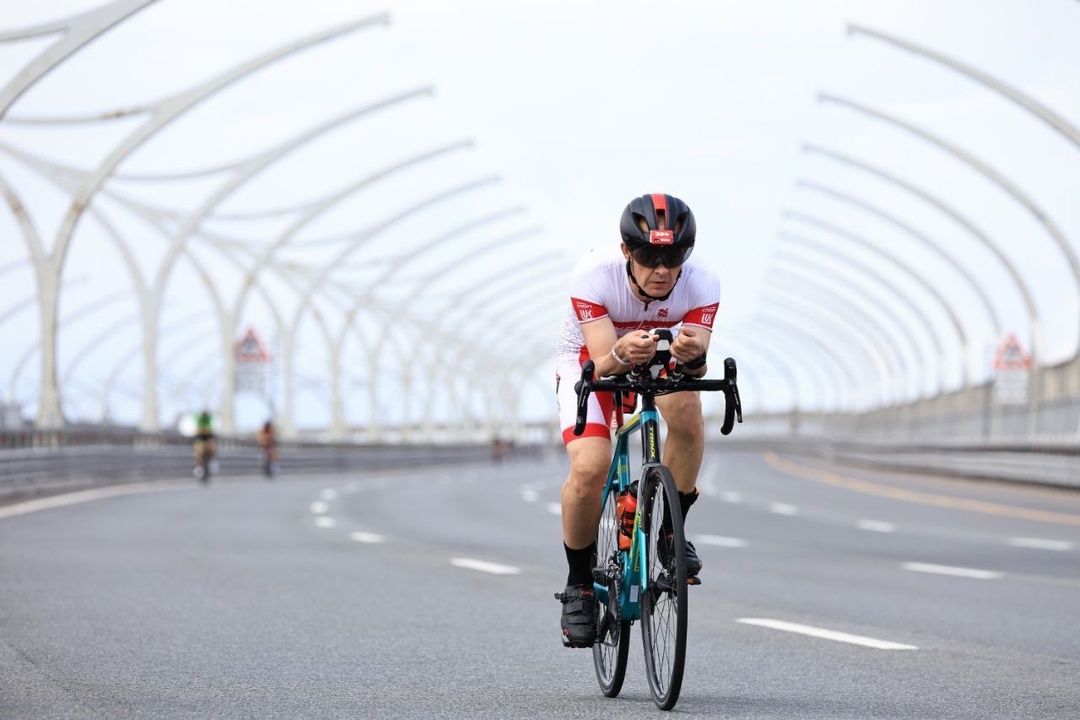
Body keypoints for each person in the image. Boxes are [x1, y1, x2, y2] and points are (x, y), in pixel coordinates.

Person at [553, 193, 720, 648]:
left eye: (674, 257)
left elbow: (697, 362)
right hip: (594, 356)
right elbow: (607, 363)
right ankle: (579, 583)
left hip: (657, 351)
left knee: (687, 412)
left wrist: (693, 360)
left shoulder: (703, 283)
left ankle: (670, 532)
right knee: (590, 466)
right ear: (627, 251)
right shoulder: (594, 274)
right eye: (649, 256)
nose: (662, 269)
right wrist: (620, 354)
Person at [193, 409, 217, 479]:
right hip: (200, 439)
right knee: (198, 451)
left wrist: (205, 431)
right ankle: (199, 467)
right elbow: (198, 431)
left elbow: (211, 431)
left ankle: (213, 462)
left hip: (208, 439)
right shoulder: (198, 419)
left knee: (213, 446)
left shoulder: (209, 420)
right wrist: (204, 431)